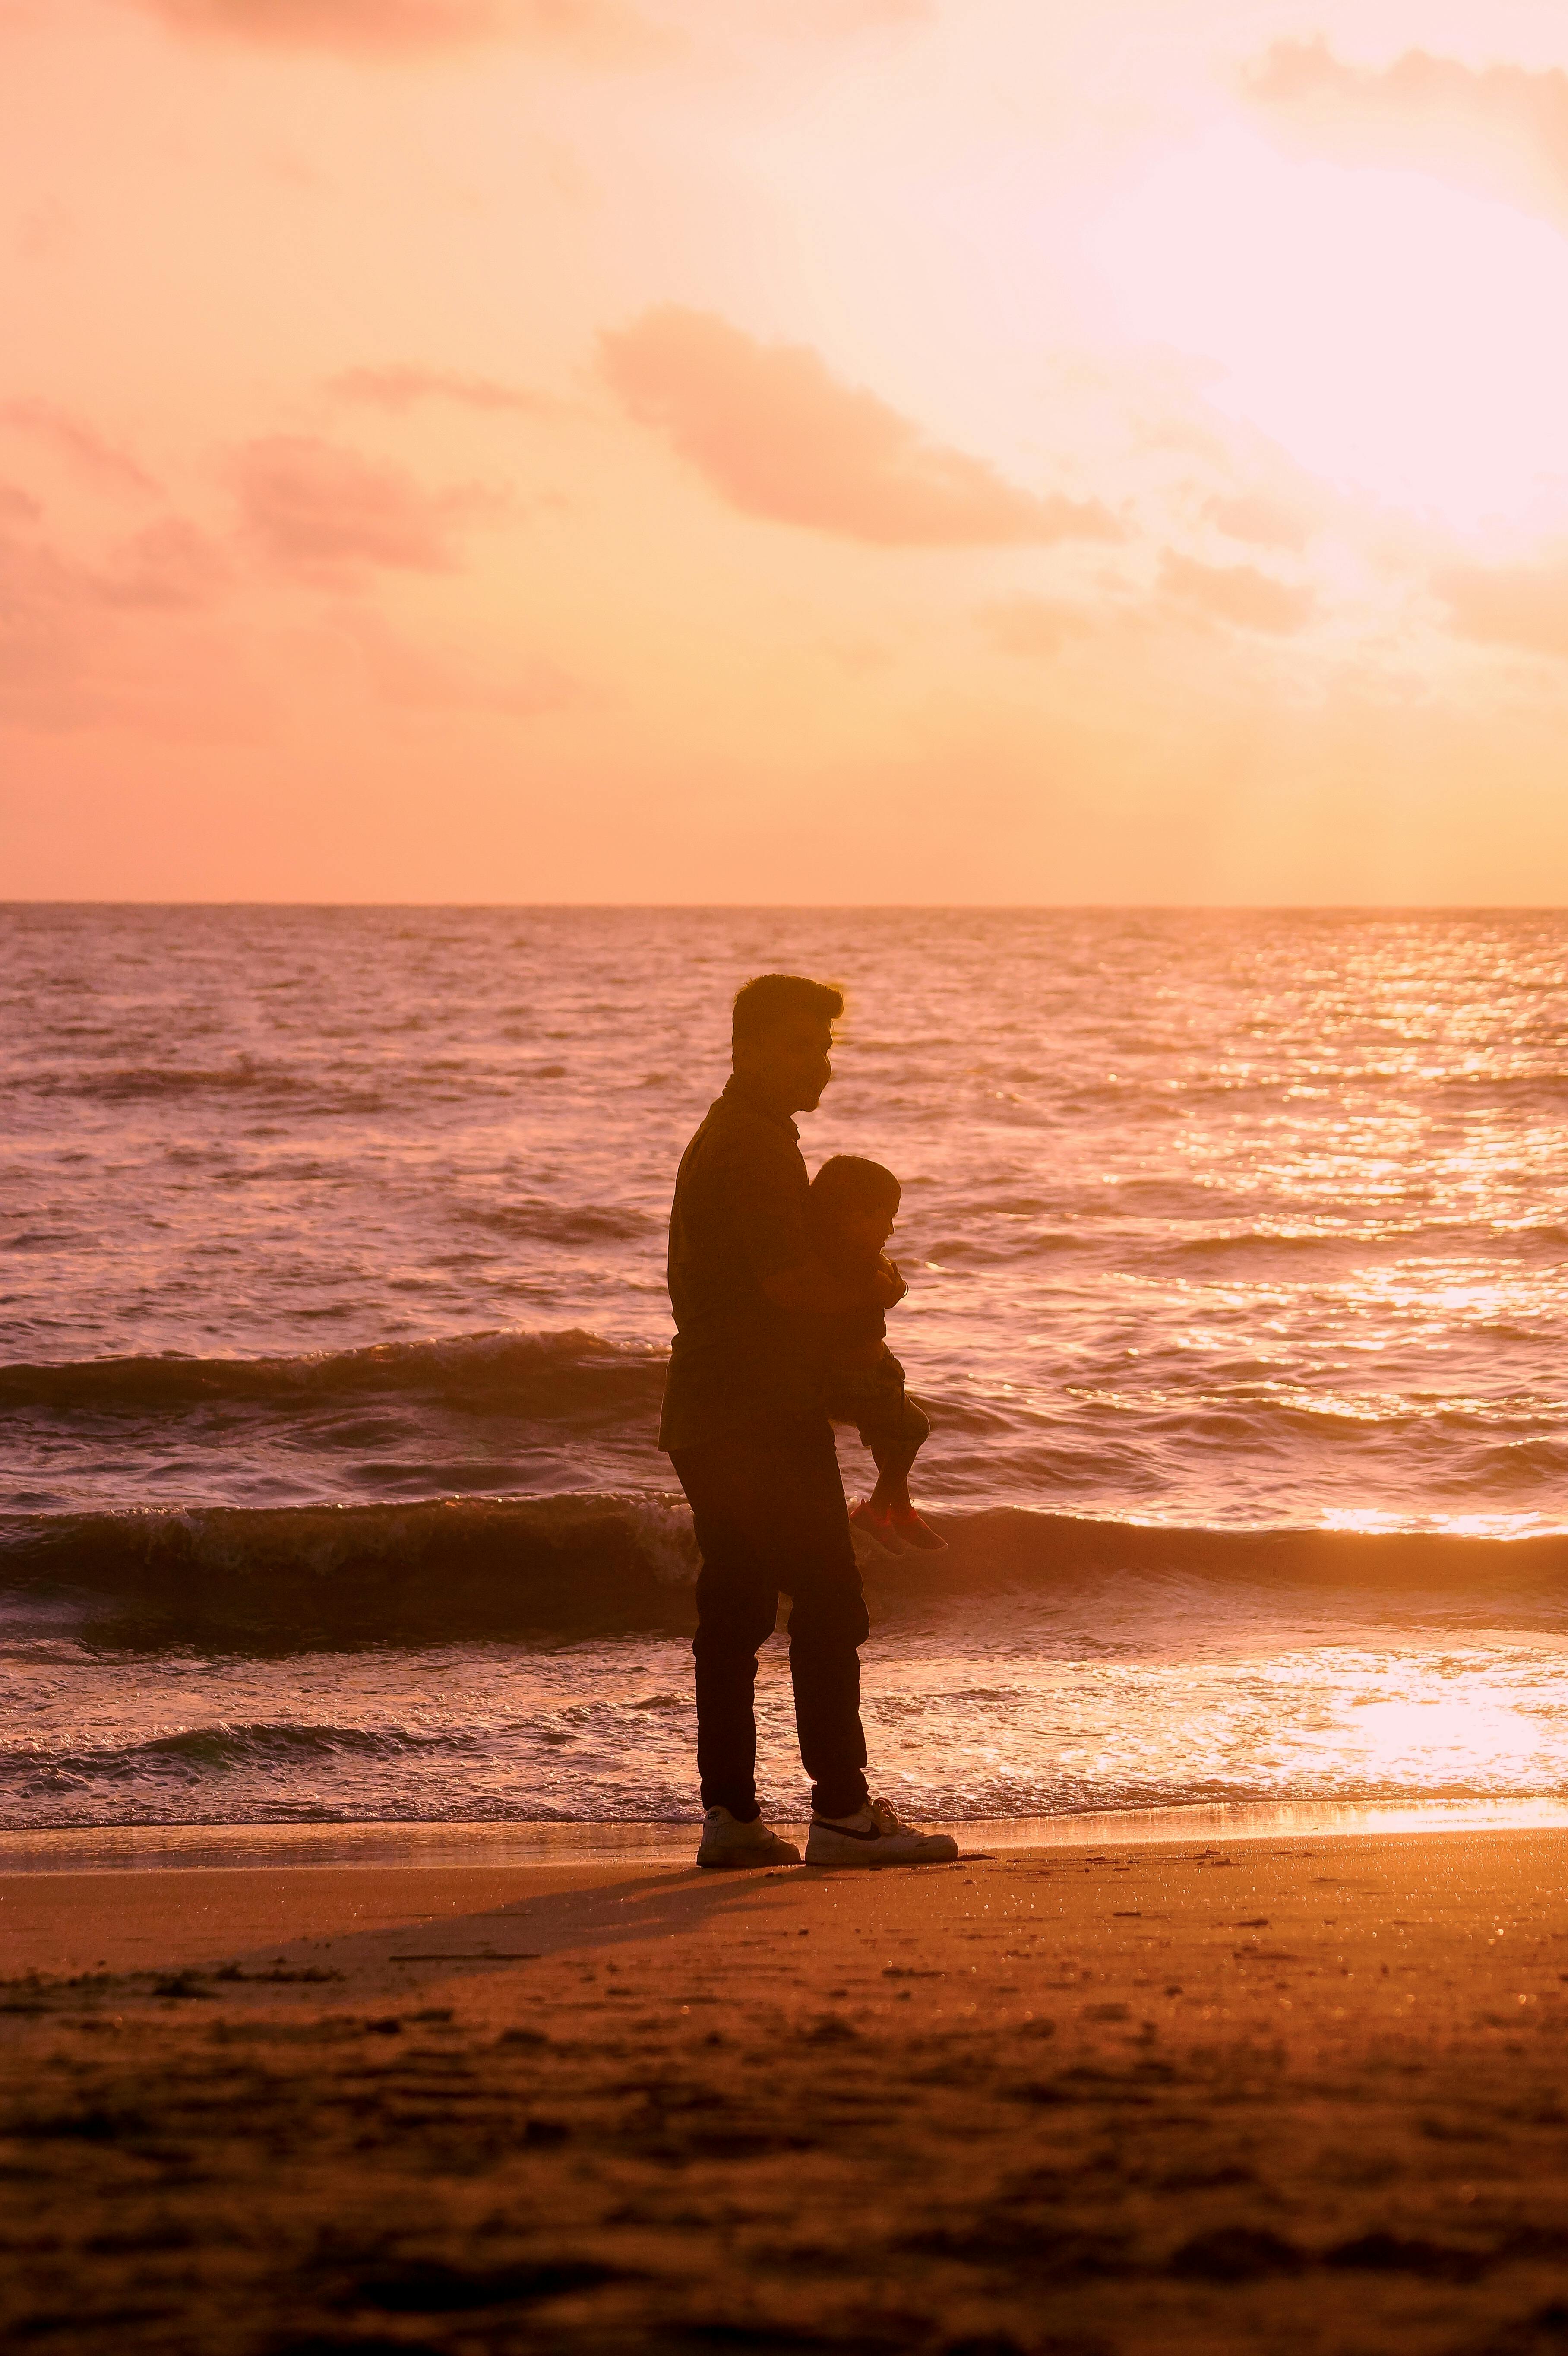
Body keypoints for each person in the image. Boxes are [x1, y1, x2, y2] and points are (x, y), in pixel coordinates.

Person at [660, 973, 958, 1872]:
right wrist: (874, 1286)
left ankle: (731, 1816)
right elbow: (786, 1284)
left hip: (704, 1411)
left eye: (824, 1045)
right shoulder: (753, 1146)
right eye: (799, 1045)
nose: (818, 1063)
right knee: (828, 1603)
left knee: (737, 1610)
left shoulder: (736, 1136)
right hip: (757, 1412)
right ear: (749, 1049)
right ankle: (842, 1811)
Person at [803, 1154, 945, 1557]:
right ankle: (878, 1510)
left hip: (874, 1367)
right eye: (882, 1219)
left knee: (890, 1435)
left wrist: (888, 1279)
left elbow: (885, 1279)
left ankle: (900, 1512)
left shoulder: (852, 1254)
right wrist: (890, 1288)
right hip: (855, 1374)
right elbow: (882, 1290)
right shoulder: (844, 1261)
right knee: (913, 1429)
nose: (890, 1229)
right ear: (850, 1218)